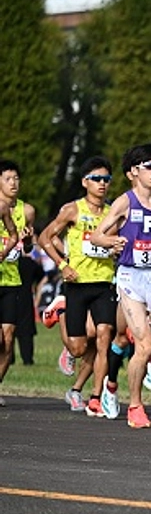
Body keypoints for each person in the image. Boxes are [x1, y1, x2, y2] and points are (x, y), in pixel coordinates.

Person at [90, 145, 151, 430]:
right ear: (133, 173)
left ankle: (133, 333)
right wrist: (112, 242)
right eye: (148, 166)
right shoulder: (124, 203)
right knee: (144, 346)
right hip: (131, 278)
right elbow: (96, 235)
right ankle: (135, 406)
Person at [38, 156, 119, 418]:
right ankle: (60, 310)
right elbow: (45, 238)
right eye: (97, 179)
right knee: (79, 348)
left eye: (106, 179)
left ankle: (95, 398)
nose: (102, 184)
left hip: (104, 283)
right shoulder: (73, 210)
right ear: (85, 182)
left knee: (103, 337)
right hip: (77, 283)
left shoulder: (113, 212)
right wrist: (63, 265)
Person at [0, 161, 34, 407]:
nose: (14, 183)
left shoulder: (27, 211)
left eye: (16, 178)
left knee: (8, 339)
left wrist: (28, 242)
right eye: (8, 178)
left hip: (12, 279)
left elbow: (27, 249)